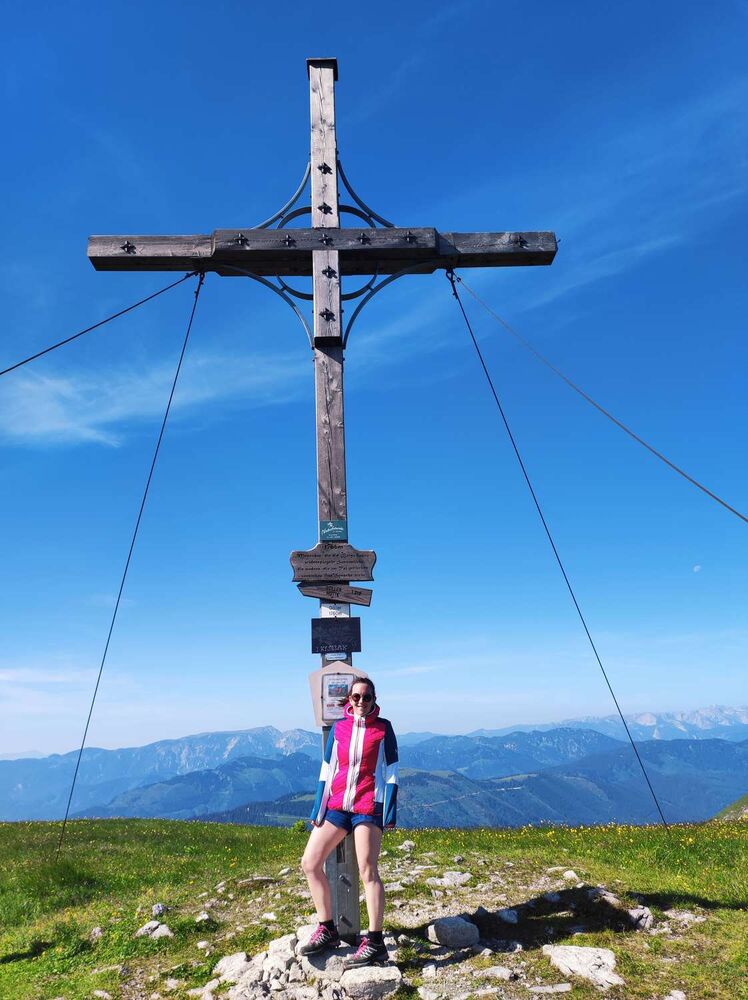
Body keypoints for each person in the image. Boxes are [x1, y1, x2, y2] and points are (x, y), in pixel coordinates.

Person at [300, 677, 399, 967]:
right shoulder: (339, 728)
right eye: (356, 697)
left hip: (368, 806)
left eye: (366, 697)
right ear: (349, 699)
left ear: (374, 699)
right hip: (338, 805)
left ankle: (375, 942)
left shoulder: (383, 728)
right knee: (310, 863)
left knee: (368, 870)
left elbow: (392, 770)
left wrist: (389, 810)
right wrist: (318, 808)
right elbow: (327, 769)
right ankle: (327, 928)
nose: (361, 702)